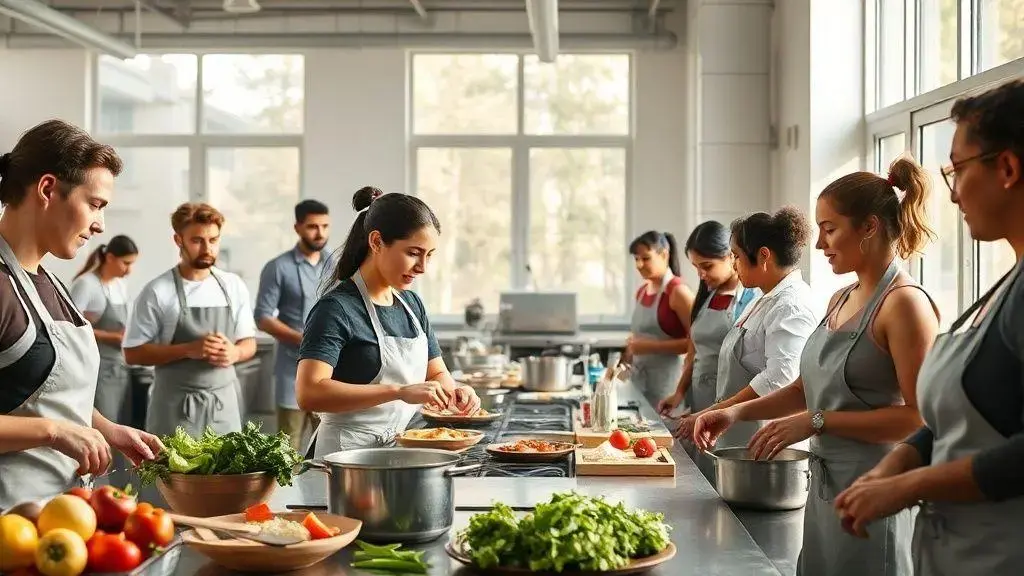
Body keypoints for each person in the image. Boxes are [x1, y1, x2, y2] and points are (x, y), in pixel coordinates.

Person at [695, 156, 940, 576]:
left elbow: (918, 419)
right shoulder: (840, 299)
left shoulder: (905, 306)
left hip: (873, 493)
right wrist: (733, 412)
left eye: (830, 229)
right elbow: (805, 387)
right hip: (826, 492)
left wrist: (819, 421)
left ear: (869, 227)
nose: (820, 244)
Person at [835, 79, 1024, 576]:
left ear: (1007, 168)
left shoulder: (908, 303)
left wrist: (913, 485)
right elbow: (949, 422)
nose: (954, 193)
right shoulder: (1005, 287)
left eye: (957, 170)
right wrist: (896, 464)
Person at [0, 120, 162, 511]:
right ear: (48, 189)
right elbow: (47, 419)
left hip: (63, 521)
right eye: (95, 204)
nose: (100, 225)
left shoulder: (52, 283)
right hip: (11, 527)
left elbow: (42, 394)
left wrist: (107, 429)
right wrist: (53, 432)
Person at [296, 187, 481, 455]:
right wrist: (398, 391)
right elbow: (309, 393)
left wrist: (457, 391)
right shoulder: (336, 309)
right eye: (413, 253)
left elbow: (437, 373)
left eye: (429, 255)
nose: (422, 267)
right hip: (343, 454)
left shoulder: (412, 305)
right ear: (376, 242)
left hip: (399, 448)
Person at [676, 207, 818, 451]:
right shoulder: (764, 298)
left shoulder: (790, 306)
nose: (733, 263)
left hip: (763, 438)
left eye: (736, 256)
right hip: (740, 432)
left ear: (763, 256)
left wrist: (719, 410)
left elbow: (778, 378)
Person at [123, 203, 257, 438]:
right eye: (197, 241)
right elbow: (132, 353)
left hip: (223, 406)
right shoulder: (157, 291)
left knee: (226, 473)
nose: (208, 248)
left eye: (213, 240)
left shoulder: (233, 285)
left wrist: (234, 353)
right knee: (173, 474)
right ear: (178, 240)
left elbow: (249, 342)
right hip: (174, 408)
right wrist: (188, 349)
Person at [657, 221, 757, 418]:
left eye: (707, 266)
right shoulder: (706, 298)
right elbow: (694, 354)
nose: (701, 275)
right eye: (696, 267)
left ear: (731, 256)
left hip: (733, 402)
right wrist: (678, 394)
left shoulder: (751, 299)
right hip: (699, 396)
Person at [254, 200, 330, 451]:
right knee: (288, 449)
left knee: (328, 445)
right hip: (291, 371)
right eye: (312, 227)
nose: (319, 233)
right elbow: (263, 317)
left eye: (324, 226)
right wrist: (304, 340)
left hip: (331, 372)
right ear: (297, 227)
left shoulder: (337, 265)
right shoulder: (278, 267)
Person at [70, 235, 138, 423]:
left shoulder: (120, 285)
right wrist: (111, 337)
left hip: (120, 368)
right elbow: (70, 328)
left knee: (123, 426)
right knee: (104, 428)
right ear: (109, 258)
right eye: (126, 263)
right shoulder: (86, 284)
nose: (129, 270)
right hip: (97, 370)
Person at [626, 231, 695, 406]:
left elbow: (695, 343)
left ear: (664, 254)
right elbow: (637, 338)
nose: (639, 264)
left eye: (646, 258)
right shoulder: (641, 292)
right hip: (639, 382)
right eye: (636, 259)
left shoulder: (678, 292)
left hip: (668, 387)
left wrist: (650, 347)